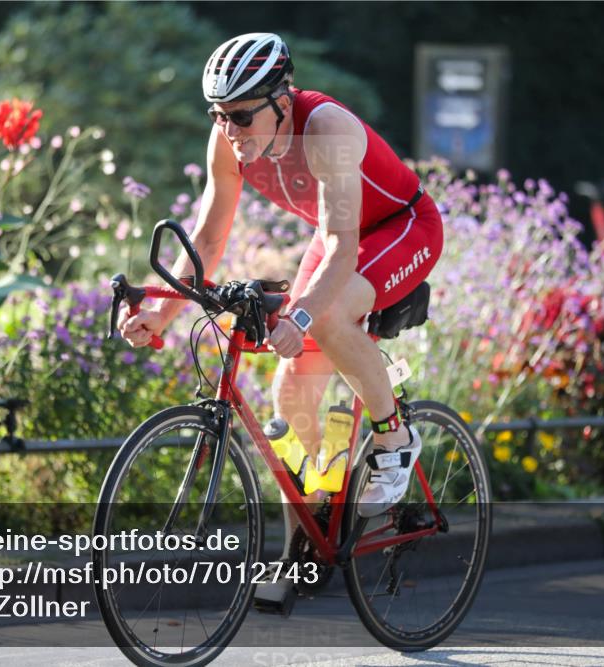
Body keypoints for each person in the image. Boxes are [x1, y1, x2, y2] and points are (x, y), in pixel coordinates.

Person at [118, 33, 444, 525]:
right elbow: (207, 239)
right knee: (289, 398)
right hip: (339, 231)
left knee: (327, 316)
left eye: (242, 115)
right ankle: (310, 535)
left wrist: (303, 313)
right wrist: (161, 313)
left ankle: (394, 437)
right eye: (218, 114)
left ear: (282, 100)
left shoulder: (326, 130)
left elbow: (342, 248)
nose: (230, 129)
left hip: (400, 227)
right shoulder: (229, 139)